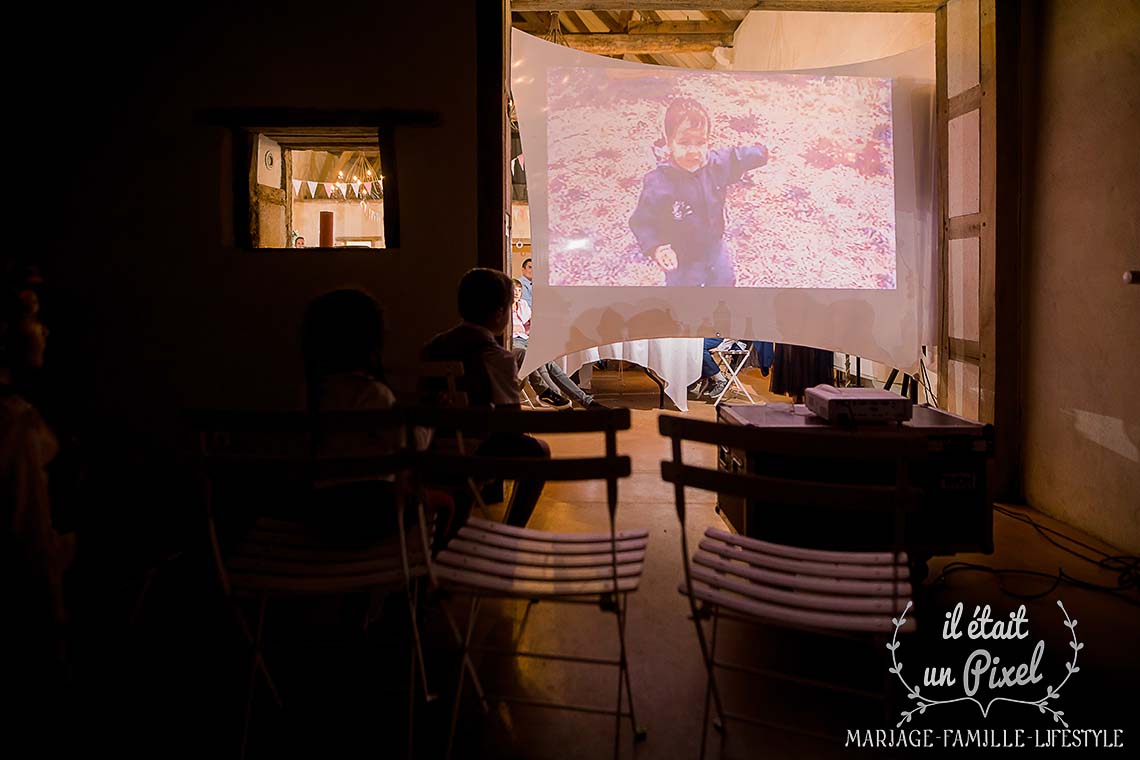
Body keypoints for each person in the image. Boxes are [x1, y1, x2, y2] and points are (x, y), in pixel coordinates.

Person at [423, 268, 549, 528]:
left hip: (432, 443)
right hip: (476, 447)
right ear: (499, 314)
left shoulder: (433, 346)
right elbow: (510, 422)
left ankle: (454, 521)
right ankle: (512, 528)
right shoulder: (498, 357)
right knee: (538, 451)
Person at [301, 288, 431, 538]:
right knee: (445, 504)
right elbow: (411, 447)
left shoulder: (310, 392)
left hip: (321, 509)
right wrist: (428, 419)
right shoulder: (374, 394)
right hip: (377, 507)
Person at [2, 275, 76, 684]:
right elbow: (29, 532)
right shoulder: (15, 425)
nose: (44, 330)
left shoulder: (18, 417)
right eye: (33, 319)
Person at [629, 98, 769, 287]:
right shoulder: (658, 183)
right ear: (669, 143)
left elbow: (738, 157)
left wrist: (762, 153)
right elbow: (642, 222)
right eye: (684, 142)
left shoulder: (717, 164)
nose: (693, 151)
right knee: (684, 293)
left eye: (700, 142)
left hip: (714, 246)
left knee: (725, 281)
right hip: (682, 256)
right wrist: (657, 248)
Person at [511, 279, 604, 410]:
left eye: (519, 290)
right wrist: (519, 328)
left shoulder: (524, 304)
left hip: (528, 339)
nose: (517, 293)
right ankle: (559, 398)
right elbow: (507, 329)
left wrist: (529, 326)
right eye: (514, 290)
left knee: (550, 364)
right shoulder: (503, 308)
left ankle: (581, 401)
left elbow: (530, 325)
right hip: (515, 343)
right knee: (539, 362)